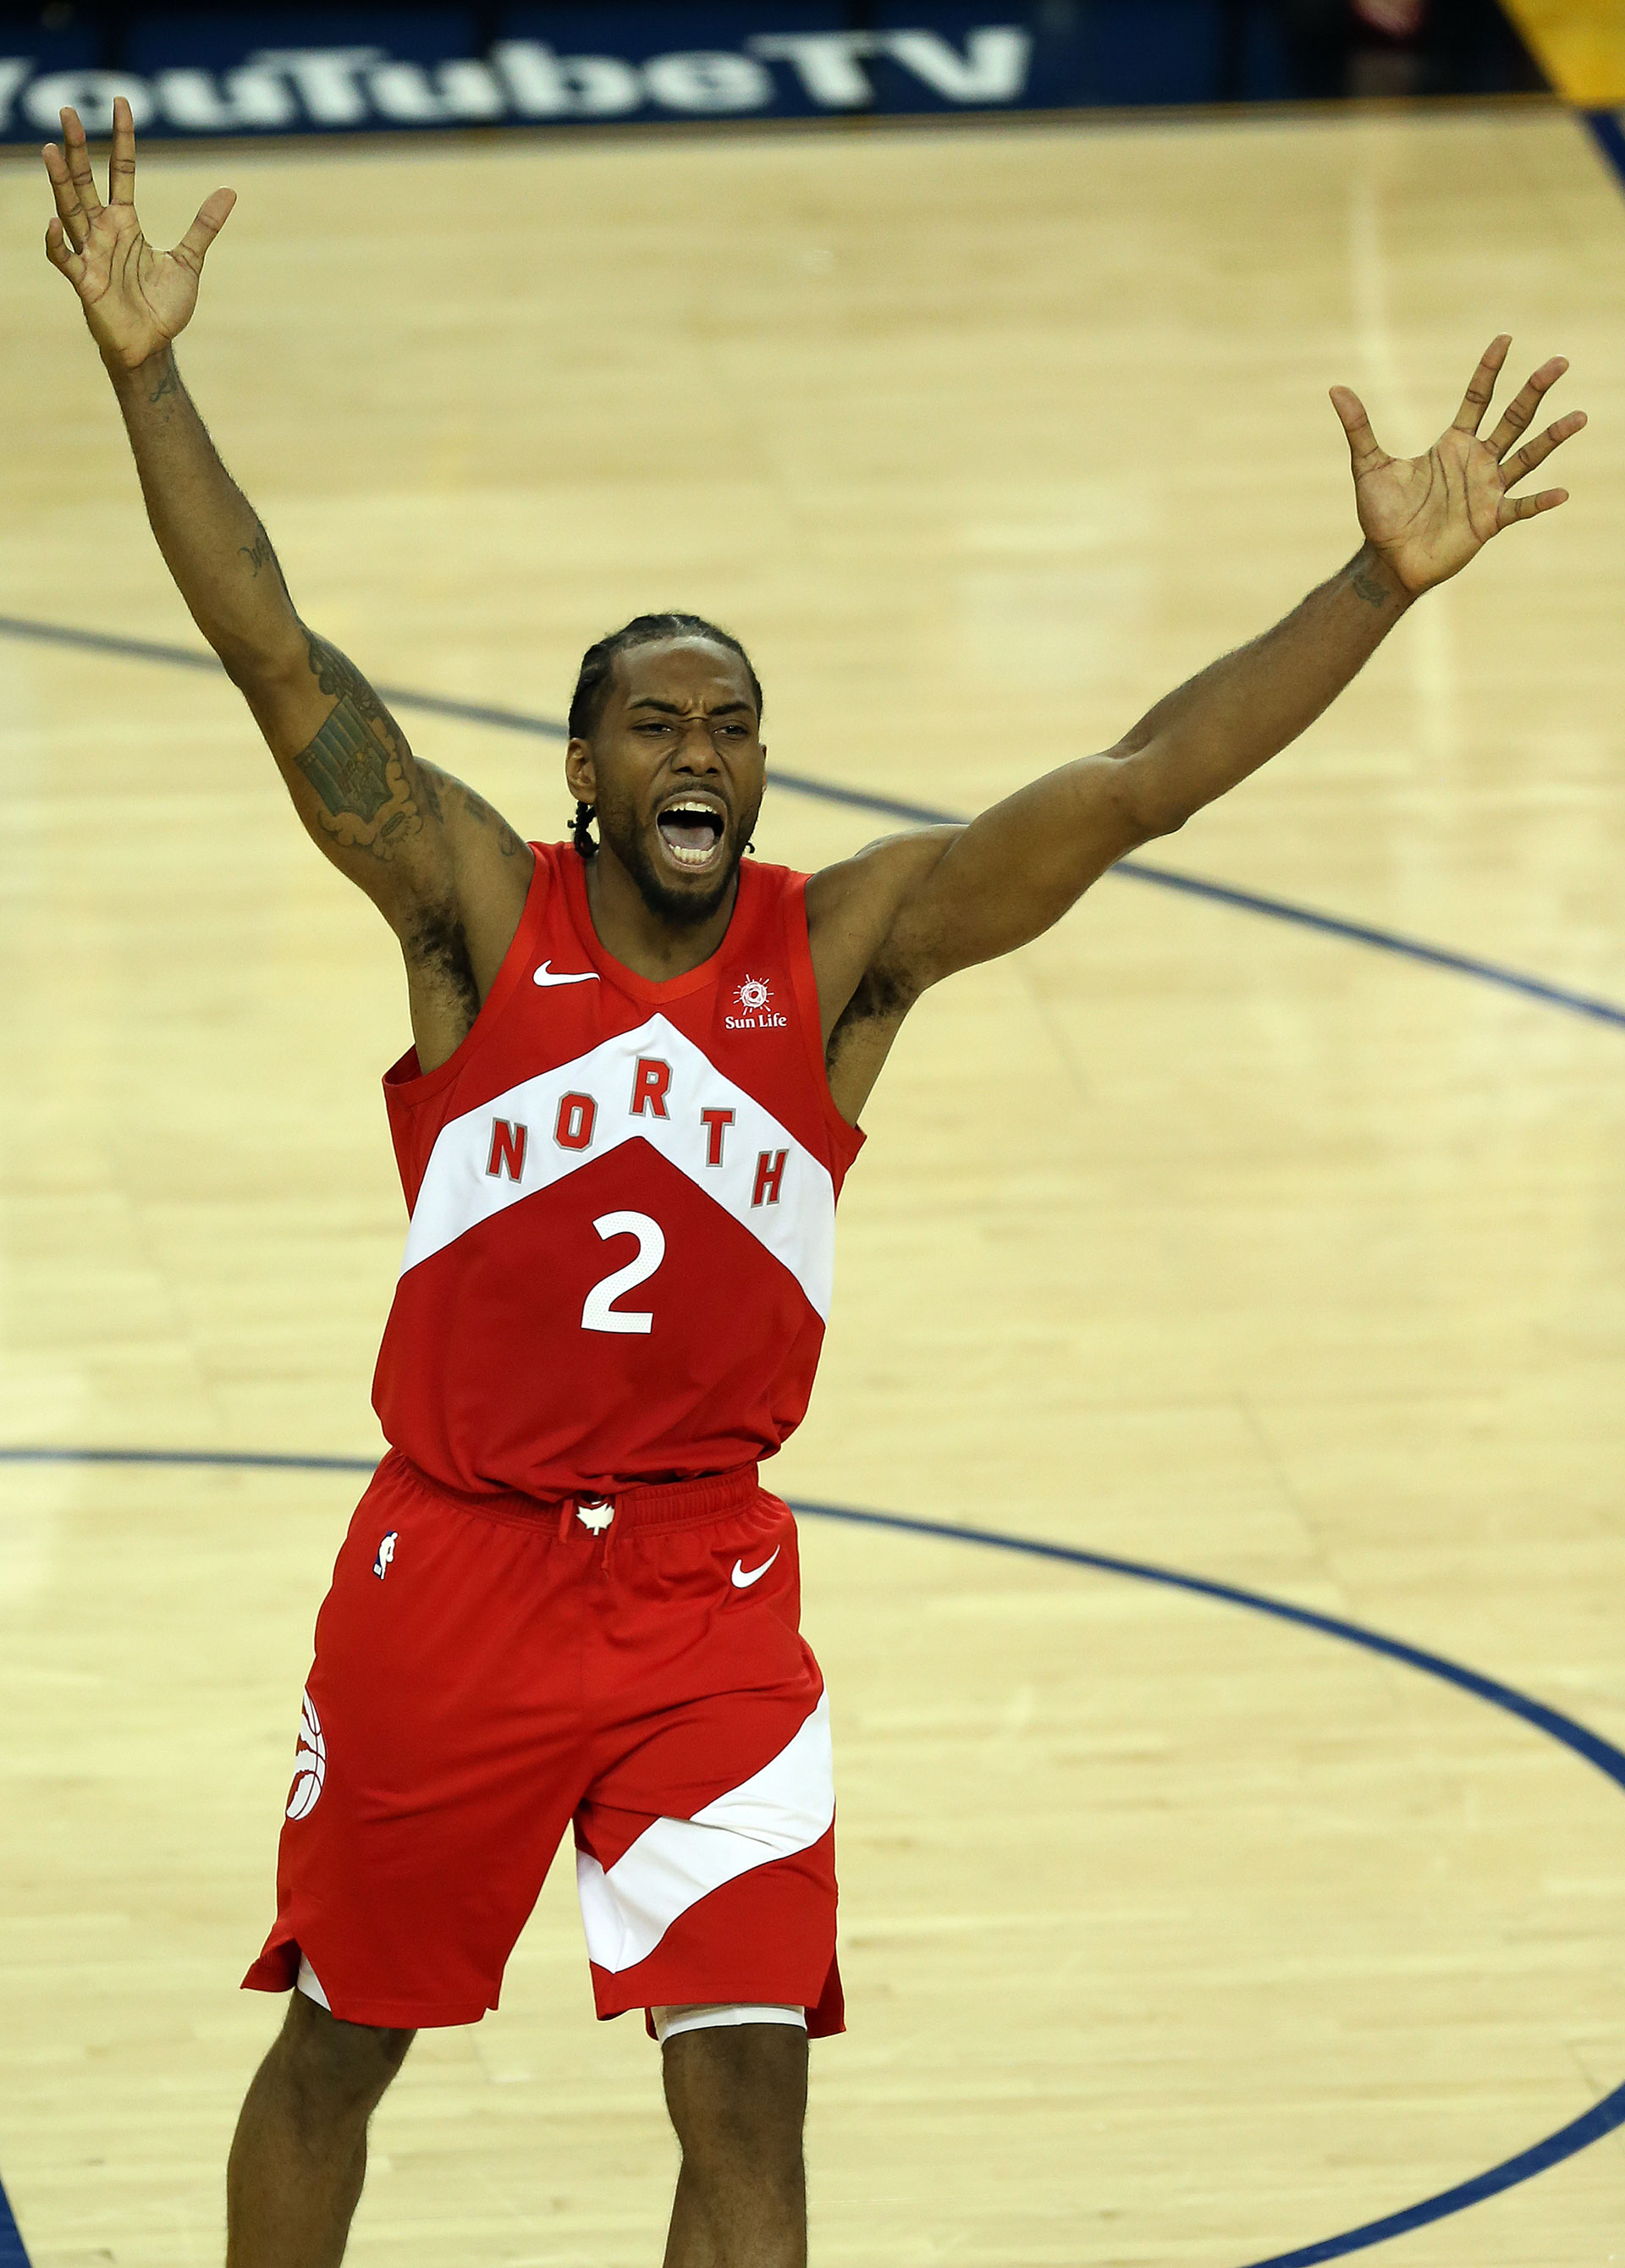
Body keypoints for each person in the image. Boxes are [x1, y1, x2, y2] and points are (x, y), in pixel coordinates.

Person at [41, 97, 1583, 2268]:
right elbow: (279, 660)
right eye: (657, 723)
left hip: (704, 1598)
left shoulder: (842, 955)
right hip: (451, 1577)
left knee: (749, 2091)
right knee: (343, 2042)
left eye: (734, 723)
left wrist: (1373, 583)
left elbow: (1135, 782)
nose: (702, 750)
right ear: (583, 770)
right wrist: (145, 369)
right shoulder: (478, 914)